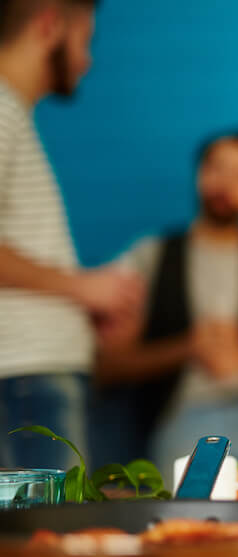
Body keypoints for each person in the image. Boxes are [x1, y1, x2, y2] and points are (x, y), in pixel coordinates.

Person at [97, 131, 238, 479]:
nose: (224, 183)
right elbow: (108, 367)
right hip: (184, 416)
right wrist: (189, 347)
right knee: (191, 510)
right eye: (216, 168)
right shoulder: (151, 257)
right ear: (199, 175)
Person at [0, 0, 142, 469]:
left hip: (31, 380)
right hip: (23, 381)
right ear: (49, 25)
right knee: (41, 541)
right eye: (85, 39)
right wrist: (82, 287)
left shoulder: (14, 115)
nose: (89, 59)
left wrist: (82, 302)